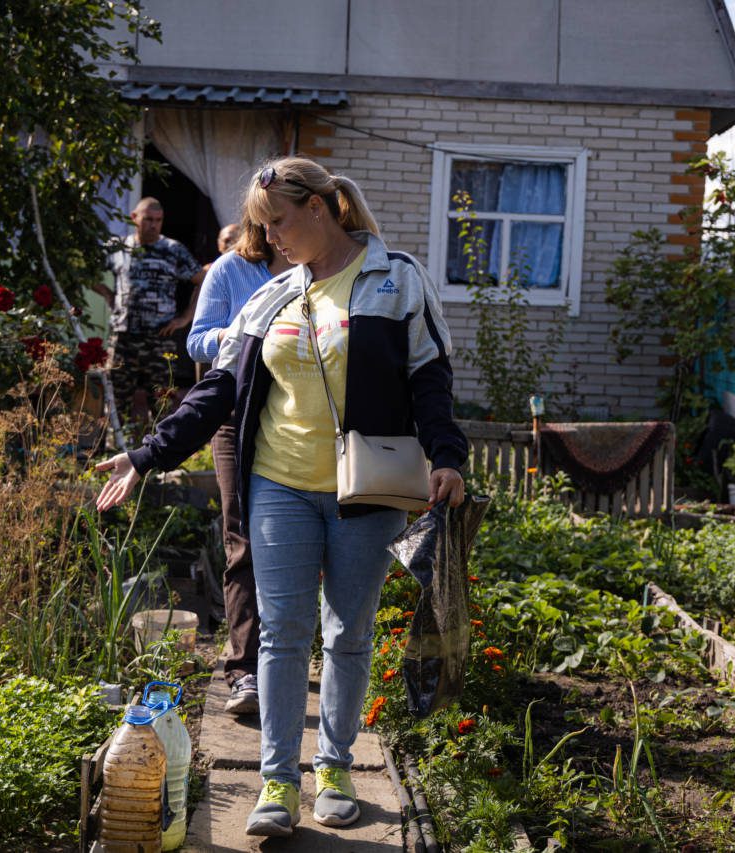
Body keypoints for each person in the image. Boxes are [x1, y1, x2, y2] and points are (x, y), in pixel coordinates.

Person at [97, 156, 467, 838]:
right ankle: (277, 778)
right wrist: (148, 453)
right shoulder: (271, 295)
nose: (269, 241)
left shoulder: (397, 279)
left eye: (279, 224)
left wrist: (447, 456)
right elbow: (217, 391)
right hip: (279, 487)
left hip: (368, 487)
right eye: (262, 229)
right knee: (281, 633)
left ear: (322, 209)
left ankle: (334, 764)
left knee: (348, 635)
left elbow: (430, 377)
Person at [187, 212, 290, 716]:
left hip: (296, 421)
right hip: (233, 416)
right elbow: (197, 340)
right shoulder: (231, 270)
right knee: (242, 539)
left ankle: (283, 661)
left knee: (295, 541)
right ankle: (244, 671)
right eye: (274, 220)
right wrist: (239, 333)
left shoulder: (315, 268)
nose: (282, 231)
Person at [92, 198, 205, 427]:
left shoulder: (172, 250)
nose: (154, 225)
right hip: (123, 337)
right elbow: (87, 271)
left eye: (158, 220)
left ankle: (160, 455)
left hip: (160, 338)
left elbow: (202, 280)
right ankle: (114, 453)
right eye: (148, 219)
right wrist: (108, 295)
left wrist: (186, 317)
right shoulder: (119, 248)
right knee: (115, 402)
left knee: (163, 402)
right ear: (134, 218)